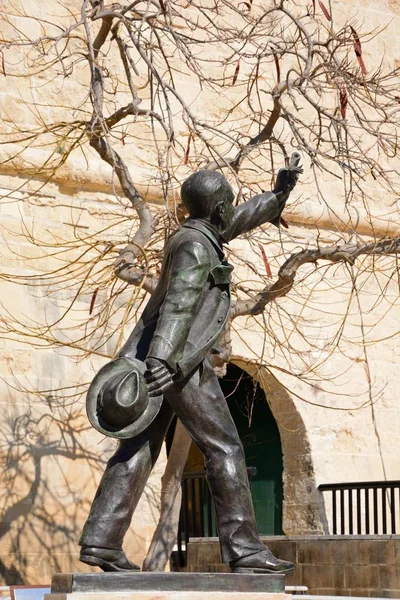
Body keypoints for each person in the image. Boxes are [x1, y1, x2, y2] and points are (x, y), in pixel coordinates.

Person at [79, 159, 302, 574]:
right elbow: (179, 304)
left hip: (163, 359)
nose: (231, 212)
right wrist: (167, 362)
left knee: (140, 445)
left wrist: (277, 195)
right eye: (228, 206)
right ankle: (244, 550)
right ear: (216, 209)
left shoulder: (202, 232)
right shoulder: (197, 246)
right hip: (176, 362)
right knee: (225, 446)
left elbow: (241, 218)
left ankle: (101, 539)